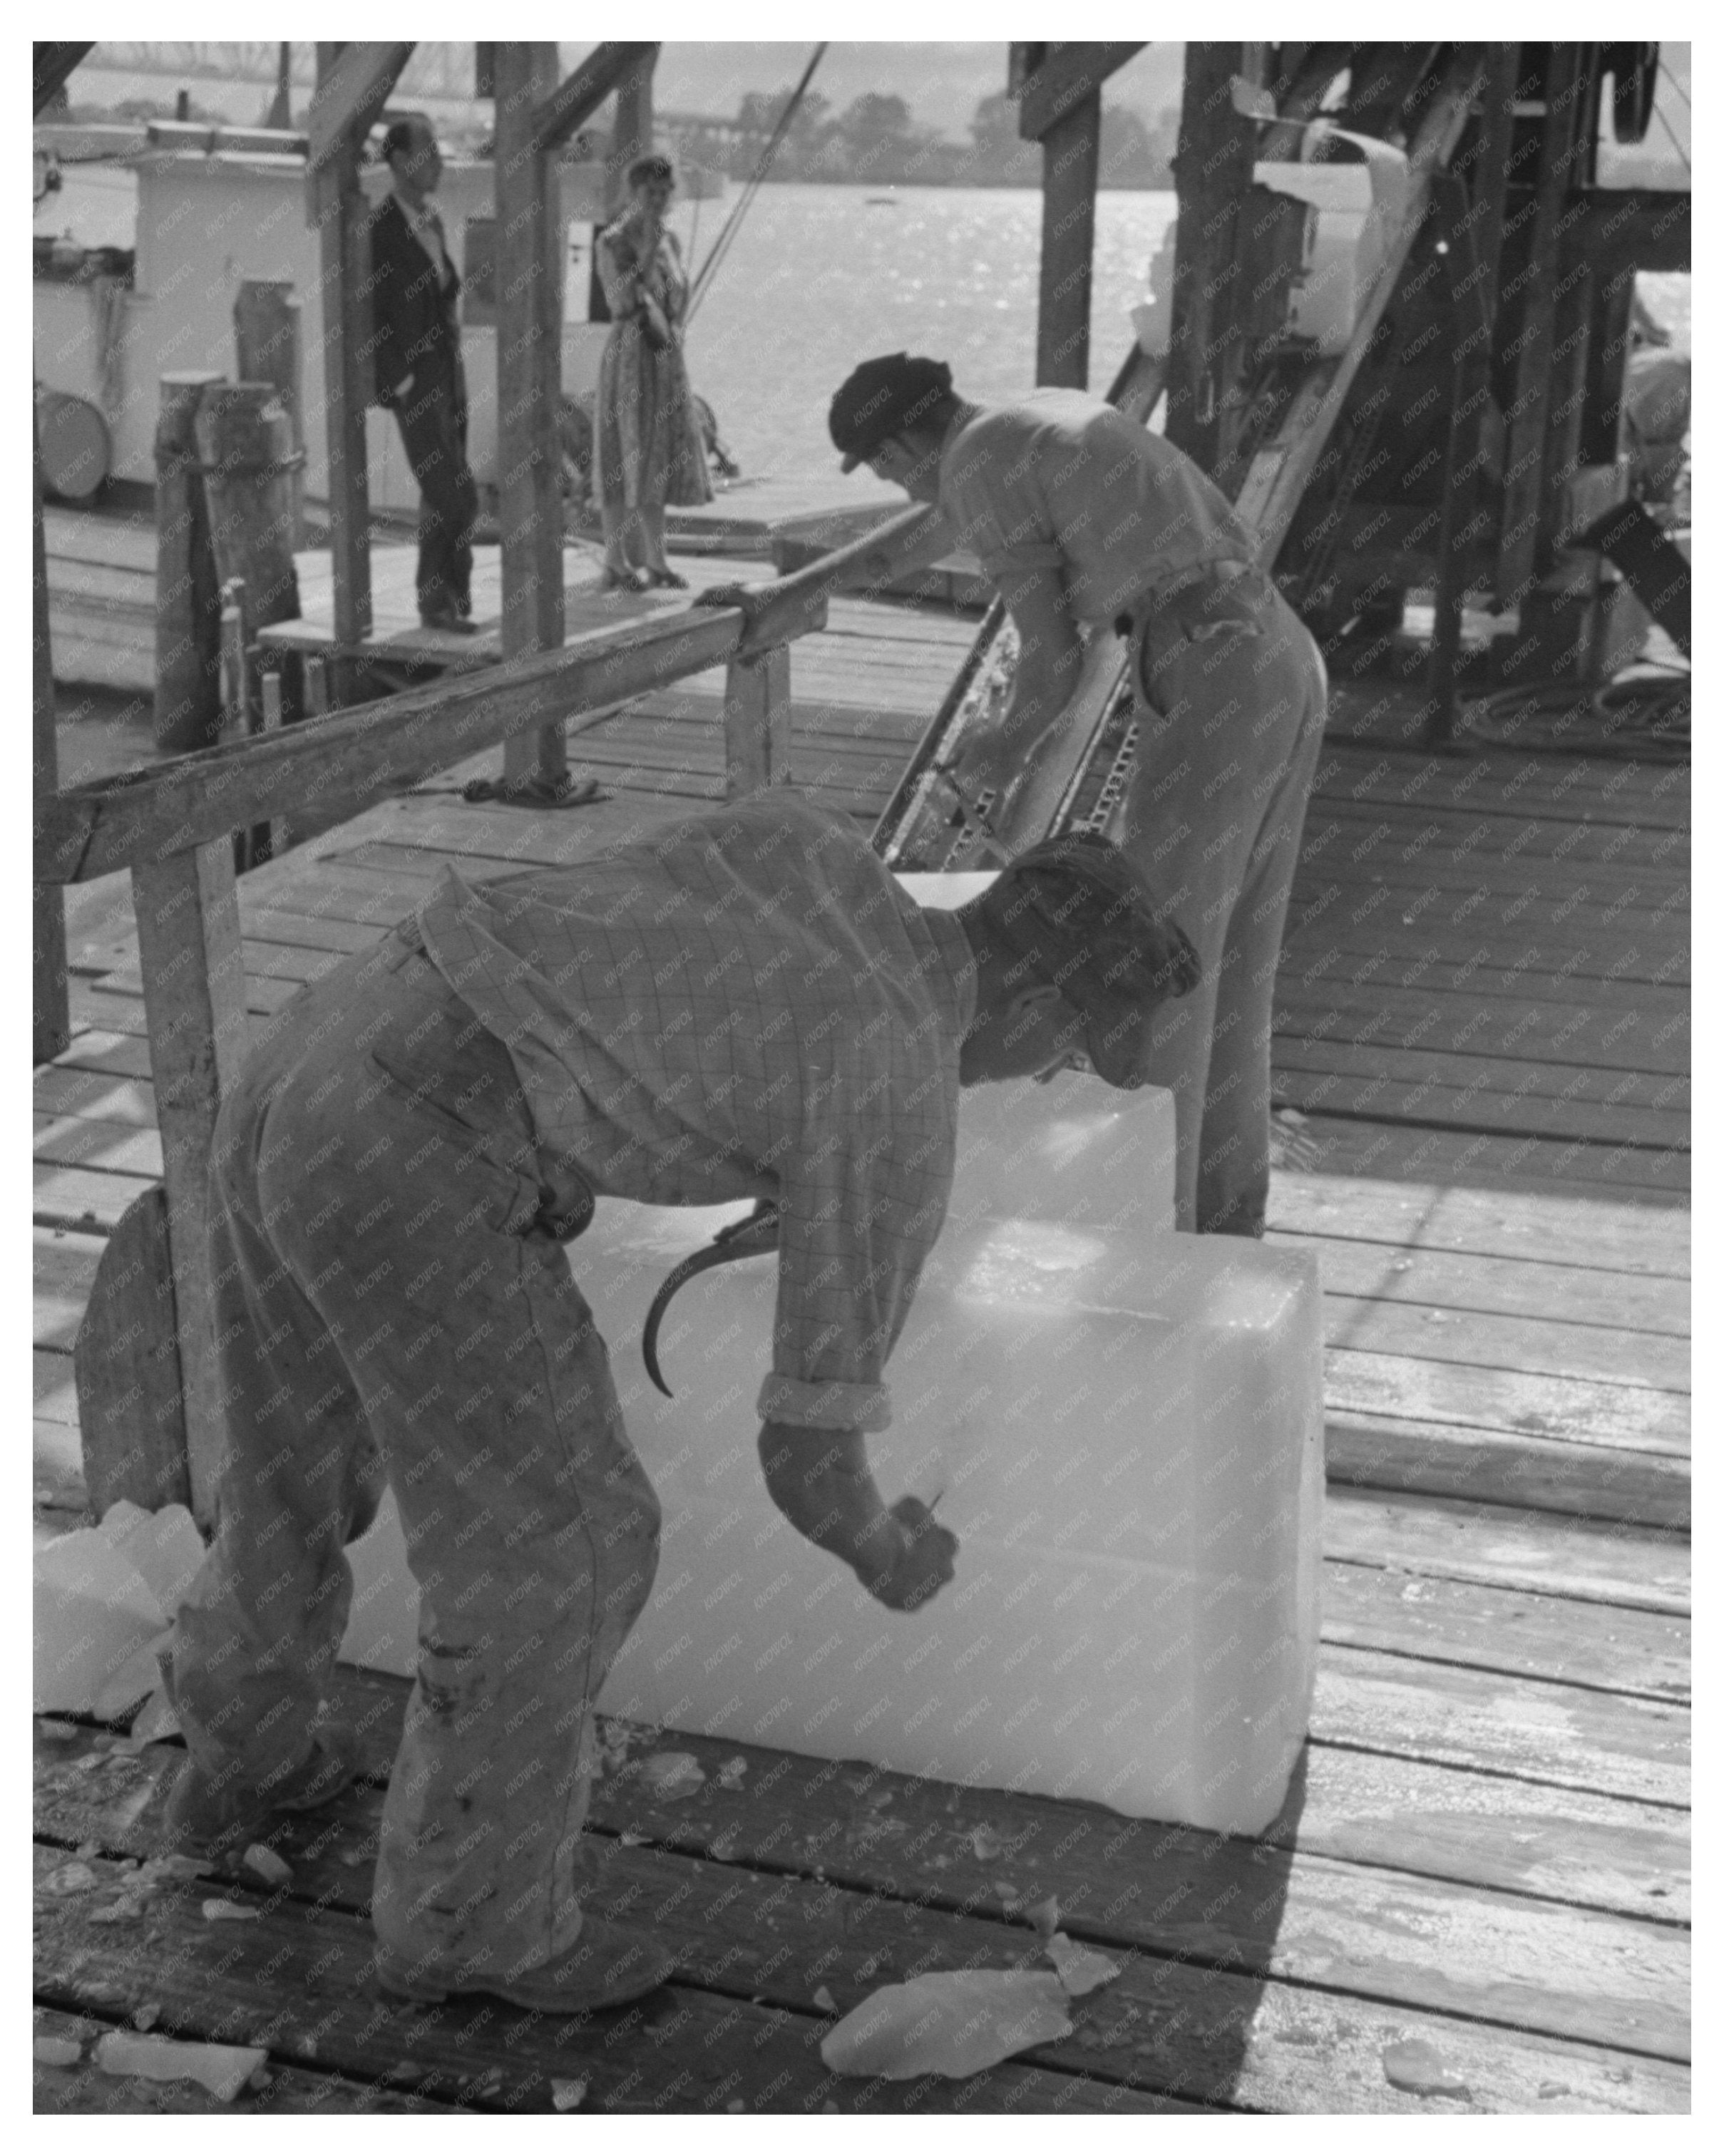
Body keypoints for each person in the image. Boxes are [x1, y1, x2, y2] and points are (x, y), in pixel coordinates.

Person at [156, 791, 1199, 2014]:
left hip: (322, 1045)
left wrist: (777, 1158)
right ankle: (471, 1922)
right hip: (418, 1137)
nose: (1039, 1071)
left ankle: (239, 1761)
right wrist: (883, 1545)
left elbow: (640, 974)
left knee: (293, 1459)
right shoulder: (895, 1079)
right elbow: (805, 1459)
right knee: (566, 1546)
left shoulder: (821, 858)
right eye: (1064, 1050)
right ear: (1029, 1004)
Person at [813, 352, 1328, 1240]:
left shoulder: (975, 463)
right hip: (1276, 649)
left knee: (1150, 956)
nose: (899, 492)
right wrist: (801, 591)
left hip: (1208, 662)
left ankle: (1148, 1235)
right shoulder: (1024, 422)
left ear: (904, 442)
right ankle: (1223, 1219)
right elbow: (932, 529)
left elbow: (1051, 666)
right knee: (1235, 964)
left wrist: (991, 760)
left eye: (888, 470)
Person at [367, 117, 480, 634]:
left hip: (447, 375)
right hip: (417, 381)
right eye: (427, 151)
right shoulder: (382, 231)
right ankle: (440, 596)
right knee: (455, 494)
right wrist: (403, 381)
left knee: (447, 491)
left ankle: (447, 599)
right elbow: (371, 316)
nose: (437, 160)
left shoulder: (430, 221)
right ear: (398, 161)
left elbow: (443, 295)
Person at [592, 154, 712, 592]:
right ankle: (614, 561)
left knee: (657, 458)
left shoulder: (672, 242)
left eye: (665, 193)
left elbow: (677, 301)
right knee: (625, 453)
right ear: (634, 192)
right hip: (630, 355)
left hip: (665, 356)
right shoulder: (613, 241)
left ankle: (657, 561)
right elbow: (621, 302)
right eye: (650, 193)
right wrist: (642, 258)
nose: (659, 201)